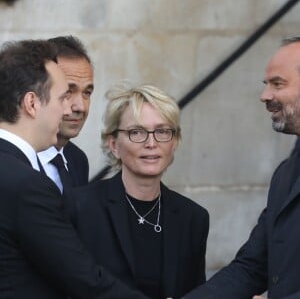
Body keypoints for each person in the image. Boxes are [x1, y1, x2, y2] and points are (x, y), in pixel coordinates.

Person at [0, 39, 150, 299]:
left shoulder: (71, 161)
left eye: (86, 93)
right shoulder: (27, 185)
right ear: (32, 103)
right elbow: (82, 277)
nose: (70, 108)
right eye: (63, 96)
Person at [182, 37, 300, 299]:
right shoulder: (285, 175)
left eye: (277, 84)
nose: (264, 96)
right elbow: (251, 268)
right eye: (265, 85)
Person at [71, 83, 209, 299]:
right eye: (137, 132)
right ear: (114, 144)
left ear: (174, 142)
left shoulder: (194, 217)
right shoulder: (80, 207)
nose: (151, 143)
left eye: (163, 131)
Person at [38, 35, 93, 193]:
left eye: (87, 93)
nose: (80, 107)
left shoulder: (78, 160)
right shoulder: (12, 160)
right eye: (68, 92)